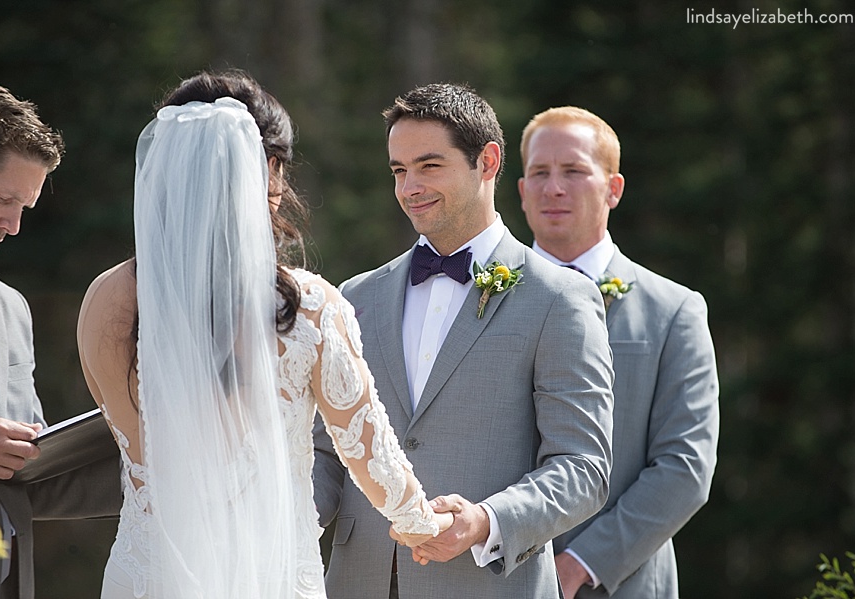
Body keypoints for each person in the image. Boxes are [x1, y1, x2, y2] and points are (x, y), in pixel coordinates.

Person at [76, 70, 452, 599]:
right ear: (270, 171)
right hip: (267, 575)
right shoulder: (307, 306)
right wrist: (425, 524)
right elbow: (368, 449)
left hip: (149, 574)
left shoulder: (106, 300)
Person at [312, 83, 615, 599]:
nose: (409, 187)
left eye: (429, 166)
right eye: (398, 170)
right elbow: (325, 451)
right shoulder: (353, 296)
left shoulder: (560, 298)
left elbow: (583, 468)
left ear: (489, 162)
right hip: (354, 583)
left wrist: (485, 520)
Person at [517, 106, 720, 598]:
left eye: (574, 171)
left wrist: (580, 562)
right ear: (521, 191)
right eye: (539, 173)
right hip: (494, 578)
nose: (554, 188)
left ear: (614, 188)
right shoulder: (483, 302)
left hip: (619, 583)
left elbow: (685, 466)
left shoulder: (673, 311)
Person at [0, 81, 121, 599]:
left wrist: (166, 466)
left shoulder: (11, 307)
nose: (12, 225)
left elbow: (29, 475)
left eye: (25, 206)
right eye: (4, 198)